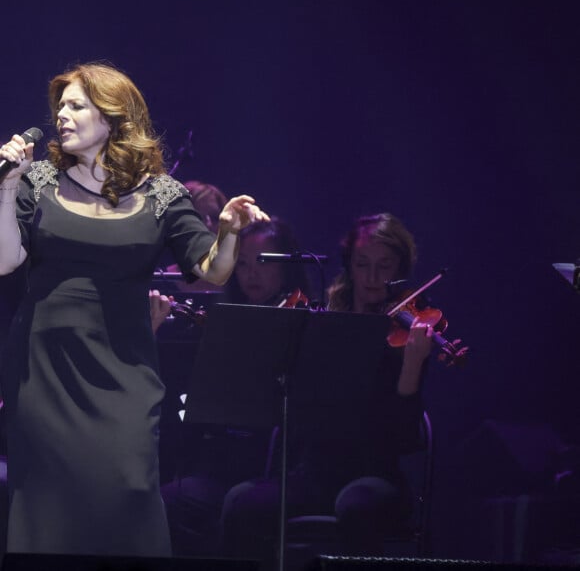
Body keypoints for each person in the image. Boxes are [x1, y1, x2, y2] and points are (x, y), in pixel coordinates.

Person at [0, 61, 268, 557]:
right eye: (60, 105)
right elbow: (5, 260)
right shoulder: (37, 181)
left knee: (127, 491)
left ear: (113, 118)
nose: (62, 114)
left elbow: (212, 270)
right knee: (47, 504)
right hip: (44, 372)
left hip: (122, 367)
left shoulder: (160, 194)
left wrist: (229, 230)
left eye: (76, 105)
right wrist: (8, 185)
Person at [219, 212, 434, 565]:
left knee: (355, 505)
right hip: (317, 474)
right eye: (362, 264)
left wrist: (412, 365)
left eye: (385, 266)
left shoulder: (407, 336)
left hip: (376, 477)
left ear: (400, 269)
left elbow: (406, 438)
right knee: (241, 501)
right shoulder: (327, 319)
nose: (373, 277)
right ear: (349, 265)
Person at [161, 216, 311, 556]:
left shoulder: (303, 320)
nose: (251, 273)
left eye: (262, 262)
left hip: (283, 465)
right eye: (241, 264)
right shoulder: (225, 319)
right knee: (171, 498)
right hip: (229, 461)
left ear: (287, 266)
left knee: (242, 503)